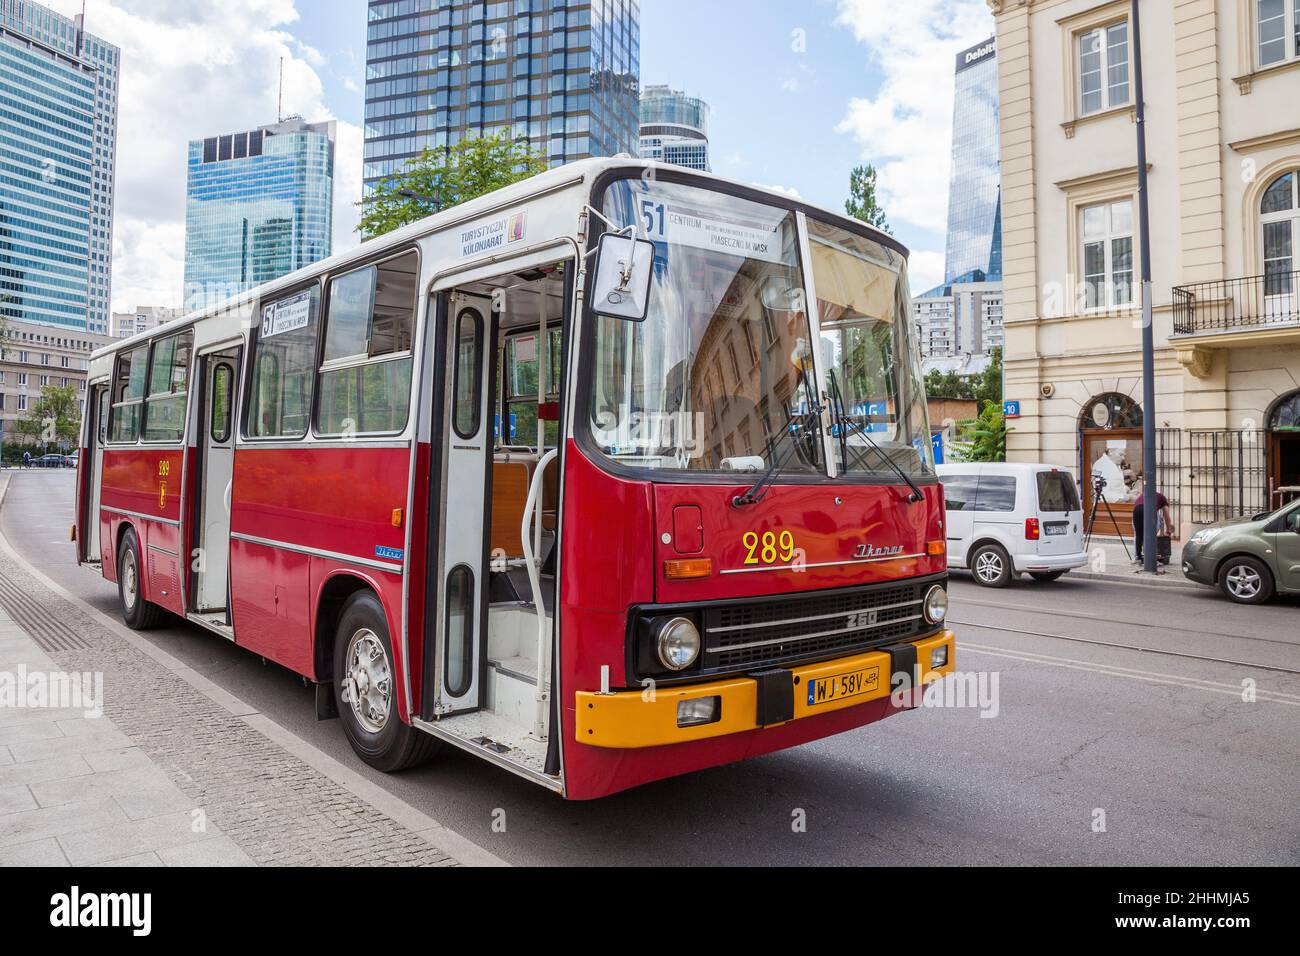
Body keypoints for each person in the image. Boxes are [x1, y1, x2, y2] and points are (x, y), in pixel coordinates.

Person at [1133, 488, 1172, 564]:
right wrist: (1168, 531)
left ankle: (1138, 557)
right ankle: (1152, 559)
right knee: (1151, 535)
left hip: (1136, 510)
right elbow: (1167, 517)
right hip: (1149, 509)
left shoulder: (1143, 495)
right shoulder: (1163, 499)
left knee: (1139, 534)